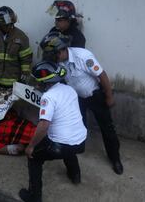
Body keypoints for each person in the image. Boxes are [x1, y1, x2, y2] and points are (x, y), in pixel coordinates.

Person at [40, 32, 123, 175]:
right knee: (78, 125)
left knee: (107, 129)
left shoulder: (83, 56)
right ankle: (79, 147)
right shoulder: (57, 62)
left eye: (55, 54)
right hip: (77, 98)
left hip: (95, 95)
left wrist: (109, 96)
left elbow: (102, 75)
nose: (53, 58)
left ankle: (115, 159)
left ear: (62, 50)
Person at [19, 61, 87, 202]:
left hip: (60, 146)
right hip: (80, 141)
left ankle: (34, 196)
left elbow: (43, 125)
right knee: (69, 145)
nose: (36, 85)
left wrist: (31, 146)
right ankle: (75, 175)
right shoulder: (69, 89)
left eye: (38, 82)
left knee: (33, 157)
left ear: (45, 83)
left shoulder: (48, 97)